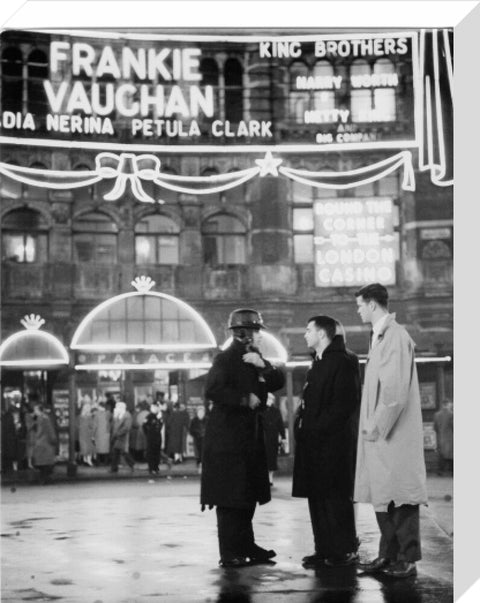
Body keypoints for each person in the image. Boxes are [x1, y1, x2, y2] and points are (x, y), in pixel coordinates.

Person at [200, 308, 285, 568]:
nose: (260, 336)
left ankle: (246, 545)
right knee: (230, 499)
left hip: (247, 440)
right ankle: (230, 552)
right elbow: (212, 390)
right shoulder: (225, 359)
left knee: (246, 496)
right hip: (228, 442)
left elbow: (277, 381)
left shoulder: (254, 357)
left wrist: (264, 365)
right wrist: (243, 399)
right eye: (257, 331)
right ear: (244, 333)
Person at [354, 283, 428, 579]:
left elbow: (394, 392)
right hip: (383, 438)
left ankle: (407, 559)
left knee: (402, 497)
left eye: (360, 305)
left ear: (372, 305)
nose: (358, 310)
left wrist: (375, 426)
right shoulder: (381, 336)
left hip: (391, 435)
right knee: (385, 496)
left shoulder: (395, 336)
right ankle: (388, 555)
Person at [292, 315, 361, 568]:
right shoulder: (318, 361)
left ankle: (344, 549)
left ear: (322, 334)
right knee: (317, 497)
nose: (305, 334)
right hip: (314, 443)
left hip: (333, 445)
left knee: (335, 498)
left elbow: (344, 404)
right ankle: (323, 549)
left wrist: (316, 429)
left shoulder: (343, 361)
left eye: (309, 330)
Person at [262, 394, 286, 487]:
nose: (269, 400)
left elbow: (280, 424)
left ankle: (270, 478)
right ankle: (266, 478)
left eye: (271, 399)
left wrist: (283, 437)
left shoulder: (276, 411)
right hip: (264, 438)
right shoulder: (261, 410)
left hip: (272, 439)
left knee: (272, 459)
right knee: (264, 459)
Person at [32, 403, 57, 484]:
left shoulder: (41, 419)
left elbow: (40, 432)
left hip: (43, 443)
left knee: (42, 463)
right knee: (46, 463)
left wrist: (35, 438)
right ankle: (45, 479)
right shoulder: (45, 418)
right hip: (46, 443)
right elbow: (50, 431)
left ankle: (43, 479)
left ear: (39, 410)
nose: (34, 411)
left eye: (35, 410)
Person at [110, 401, 135, 473]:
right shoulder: (118, 415)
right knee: (117, 452)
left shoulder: (127, 415)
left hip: (123, 437)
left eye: (117, 407)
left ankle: (131, 463)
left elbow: (127, 427)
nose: (115, 408)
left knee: (122, 452)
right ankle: (114, 468)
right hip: (118, 436)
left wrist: (118, 433)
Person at [433, 399, 453, 475]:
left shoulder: (436, 415)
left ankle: (440, 471)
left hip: (440, 437)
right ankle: (452, 471)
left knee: (441, 454)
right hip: (450, 437)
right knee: (451, 454)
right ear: (448, 404)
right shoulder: (452, 414)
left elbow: (435, 427)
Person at [92, 401, 112, 465]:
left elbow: (94, 425)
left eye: (98, 406)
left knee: (98, 449)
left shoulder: (97, 414)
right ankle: (106, 462)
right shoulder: (108, 413)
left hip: (99, 433)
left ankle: (98, 462)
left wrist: (92, 435)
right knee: (106, 448)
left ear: (100, 407)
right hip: (106, 433)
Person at [189, 405, 207, 473]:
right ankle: (199, 462)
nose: (201, 413)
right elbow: (191, 430)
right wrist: (197, 434)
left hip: (205, 439)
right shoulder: (194, 420)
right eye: (199, 412)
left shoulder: (207, 419)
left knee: (204, 451)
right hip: (198, 439)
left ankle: (203, 463)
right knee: (199, 451)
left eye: (202, 412)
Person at [78, 399, 95, 466]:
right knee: (90, 447)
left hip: (82, 434)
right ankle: (89, 460)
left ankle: (84, 460)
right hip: (88, 433)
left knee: (83, 447)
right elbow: (92, 425)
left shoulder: (81, 417)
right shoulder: (89, 417)